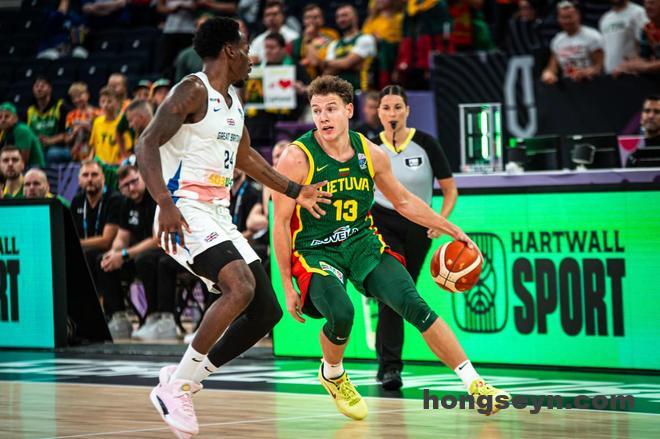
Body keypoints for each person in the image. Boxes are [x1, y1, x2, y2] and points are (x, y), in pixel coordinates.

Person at [272, 76, 509, 421]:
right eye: (317, 110)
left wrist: (451, 228)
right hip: (316, 250)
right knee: (342, 314)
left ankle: (476, 385)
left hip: (361, 242)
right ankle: (333, 373)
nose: (323, 117)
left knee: (414, 304)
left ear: (349, 110)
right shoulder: (297, 157)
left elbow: (403, 201)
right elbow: (280, 223)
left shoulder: (370, 153)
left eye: (331, 109)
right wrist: (286, 284)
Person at [136, 17, 330, 438]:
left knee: (266, 311)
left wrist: (295, 190)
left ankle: (184, 380)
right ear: (229, 50)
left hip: (218, 213)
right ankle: (179, 387)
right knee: (239, 287)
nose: (251, 58)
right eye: (246, 50)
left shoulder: (234, 100)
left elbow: (246, 159)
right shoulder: (192, 90)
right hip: (183, 209)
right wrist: (164, 203)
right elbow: (145, 142)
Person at [369, 85, 457, 390]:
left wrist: (440, 221)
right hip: (382, 223)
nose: (392, 113)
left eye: (397, 107)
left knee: (405, 293)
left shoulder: (426, 143)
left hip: (419, 224)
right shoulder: (370, 147)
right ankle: (389, 368)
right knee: (392, 294)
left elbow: (450, 189)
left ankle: (390, 363)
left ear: (407, 110)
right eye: (386, 108)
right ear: (378, 112)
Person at [96, 164, 177, 340]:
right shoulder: (126, 203)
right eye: (126, 185)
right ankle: (119, 317)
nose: (131, 188)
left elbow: (157, 239)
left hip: (165, 249)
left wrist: (124, 255)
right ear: (120, 188)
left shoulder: (156, 197)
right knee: (103, 260)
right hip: (139, 253)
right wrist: (114, 252)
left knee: (145, 260)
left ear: (142, 177)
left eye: (134, 181)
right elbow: (122, 237)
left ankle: (156, 317)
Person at [70, 159, 122, 288]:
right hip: (86, 251)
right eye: (85, 175)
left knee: (89, 256)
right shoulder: (77, 201)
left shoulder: (114, 199)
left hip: (109, 251)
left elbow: (106, 241)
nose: (89, 179)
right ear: (79, 180)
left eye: (94, 174)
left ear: (103, 178)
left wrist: (77, 243)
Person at [317, 4, 377, 93]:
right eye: (338, 17)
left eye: (345, 15)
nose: (341, 19)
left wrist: (328, 62)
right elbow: (329, 71)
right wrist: (351, 64)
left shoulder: (366, 38)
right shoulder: (334, 44)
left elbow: (346, 64)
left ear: (355, 17)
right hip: (340, 94)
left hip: (362, 92)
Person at [541, 1, 604, 84]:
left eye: (570, 17)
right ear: (558, 19)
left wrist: (586, 72)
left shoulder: (592, 36)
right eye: (563, 18)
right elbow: (552, 67)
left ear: (578, 16)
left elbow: (600, 66)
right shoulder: (557, 40)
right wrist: (548, 73)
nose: (567, 21)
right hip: (569, 86)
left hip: (591, 84)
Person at [26, 76, 71, 163]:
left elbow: (68, 133)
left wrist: (50, 140)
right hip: (37, 147)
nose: (39, 89)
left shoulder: (60, 107)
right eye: (36, 86)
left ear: (50, 89)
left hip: (59, 148)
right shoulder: (30, 111)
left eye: (42, 86)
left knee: (52, 153)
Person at [599, 0, 648, 74]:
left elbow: (646, 44)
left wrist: (636, 63)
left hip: (632, 73)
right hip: (610, 73)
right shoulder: (605, 18)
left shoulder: (638, 12)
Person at [0, 102, 45, 168]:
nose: (3, 120)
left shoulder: (22, 130)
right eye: (0, 117)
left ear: (15, 118)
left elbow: (22, 161)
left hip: (35, 169)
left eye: (7, 116)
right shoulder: (5, 132)